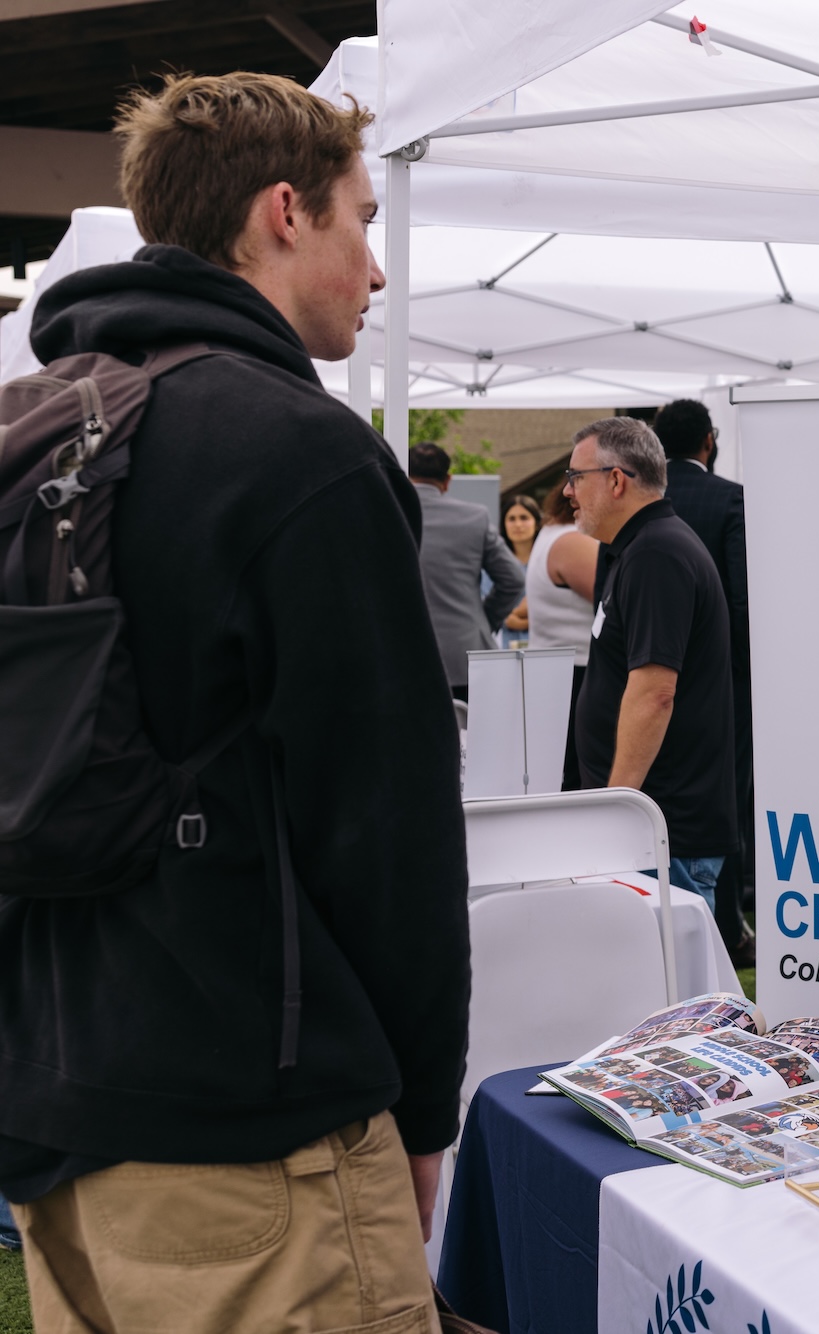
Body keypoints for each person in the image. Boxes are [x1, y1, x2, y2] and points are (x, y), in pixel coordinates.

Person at [3, 72, 467, 1332]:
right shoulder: (297, 452)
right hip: (256, 1139)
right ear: (283, 213)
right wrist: (423, 1111)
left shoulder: (39, 427)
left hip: (56, 1106)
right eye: (361, 221)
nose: (375, 270)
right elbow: (388, 828)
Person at [566, 417, 738, 911]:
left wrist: (616, 812)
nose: (568, 491)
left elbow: (654, 693)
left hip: (661, 834)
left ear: (616, 480)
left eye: (576, 477)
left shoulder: (657, 553)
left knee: (667, 986)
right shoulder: (642, 548)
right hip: (653, 829)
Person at [655, 399, 753, 959]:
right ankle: (725, 922)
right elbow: (740, 600)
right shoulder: (729, 497)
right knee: (725, 792)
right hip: (720, 680)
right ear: (709, 442)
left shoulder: (642, 501)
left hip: (651, 670)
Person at [408, 441, 525, 699]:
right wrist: (483, 619)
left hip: (403, 658)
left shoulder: (388, 516)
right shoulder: (475, 517)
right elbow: (514, 580)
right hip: (467, 657)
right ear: (447, 480)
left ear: (405, 475)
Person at [527, 486, 599, 791]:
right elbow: (619, 598)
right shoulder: (571, 541)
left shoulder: (553, 533)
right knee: (576, 775)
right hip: (576, 671)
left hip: (558, 669)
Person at [500, 494, 540, 643]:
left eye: (524, 518)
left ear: (536, 523)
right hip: (503, 647)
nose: (518, 524)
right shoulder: (495, 565)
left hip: (544, 646)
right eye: (511, 519)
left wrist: (525, 622)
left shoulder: (548, 561)